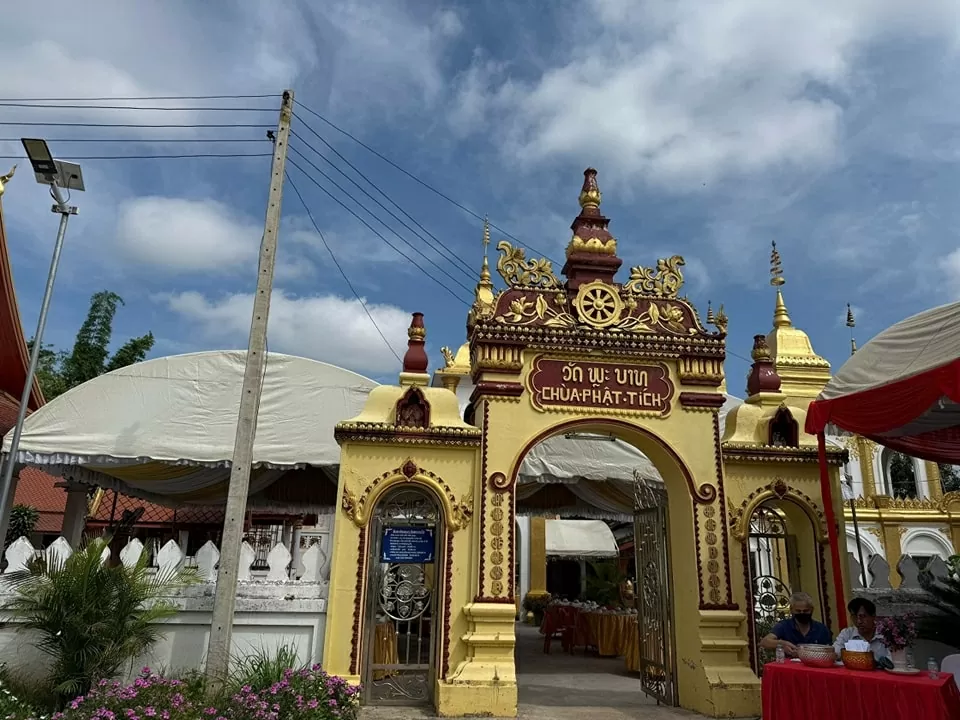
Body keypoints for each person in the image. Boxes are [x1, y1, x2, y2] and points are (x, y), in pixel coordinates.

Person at [760, 592, 833, 658]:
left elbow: (830, 651)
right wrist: (782, 644)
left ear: (811, 610)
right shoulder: (784, 626)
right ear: (791, 610)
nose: (802, 613)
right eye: (798, 611)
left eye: (805, 611)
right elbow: (765, 642)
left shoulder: (821, 629)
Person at [833, 597, 889, 661]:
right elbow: (835, 653)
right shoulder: (847, 634)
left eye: (862, 616)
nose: (859, 621)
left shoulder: (886, 634)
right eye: (854, 617)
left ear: (873, 616)